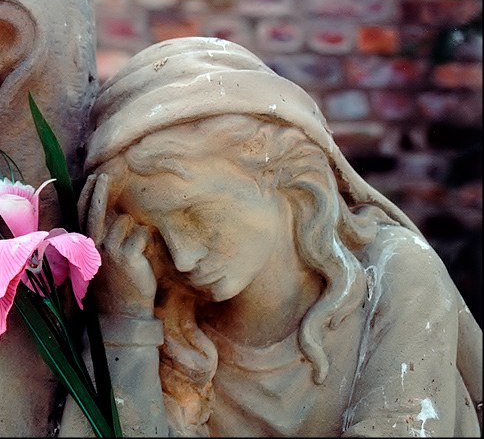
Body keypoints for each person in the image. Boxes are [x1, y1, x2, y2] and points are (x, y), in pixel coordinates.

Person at [59, 37, 482, 437]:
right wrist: (126, 326)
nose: (183, 258)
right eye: (156, 234)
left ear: (274, 168)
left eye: (194, 214)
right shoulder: (177, 327)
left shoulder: (394, 274)